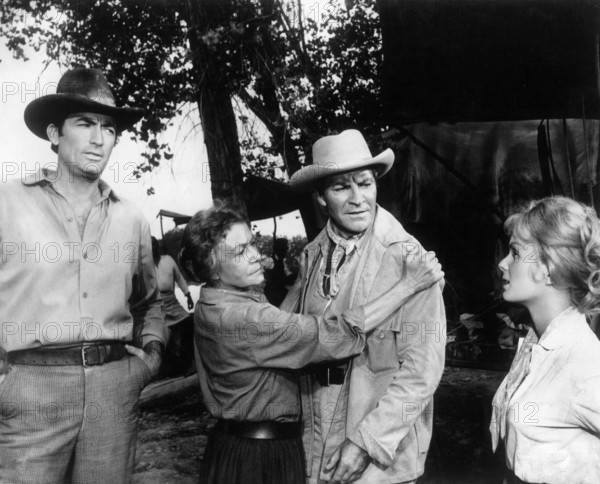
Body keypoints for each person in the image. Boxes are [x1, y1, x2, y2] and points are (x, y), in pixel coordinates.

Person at [178, 201, 443, 484]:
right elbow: (332, 335)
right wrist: (407, 286)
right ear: (212, 267)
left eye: (252, 244)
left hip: (234, 446)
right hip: (260, 457)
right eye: (241, 251)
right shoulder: (242, 316)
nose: (256, 255)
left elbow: (273, 334)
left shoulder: (212, 302)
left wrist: (300, 284)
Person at [0, 68, 168, 484]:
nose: (98, 139)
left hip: (114, 390)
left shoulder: (131, 218)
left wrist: (150, 359)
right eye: (85, 124)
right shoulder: (7, 203)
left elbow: (149, 302)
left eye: (108, 128)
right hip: (31, 389)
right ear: (55, 133)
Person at [283, 129, 447, 483]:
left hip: (379, 455)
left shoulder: (411, 259)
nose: (358, 198)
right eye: (342, 187)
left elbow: (423, 371)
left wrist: (366, 443)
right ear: (321, 196)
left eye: (365, 183)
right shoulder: (311, 256)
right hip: (314, 440)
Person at [490, 196, 600, 484]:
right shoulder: (536, 343)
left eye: (515, 253)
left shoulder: (582, 361)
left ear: (549, 267)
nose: (503, 264)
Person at [151, 236, 195, 376]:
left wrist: (188, 296)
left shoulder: (168, 260)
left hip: (173, 305)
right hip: (156, 310)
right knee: (164, 341)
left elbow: (180, 278)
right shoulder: (142, 266)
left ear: (157, 247)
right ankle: (169, 368)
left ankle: (191, 363)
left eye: (153, 246)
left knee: (189, 326)